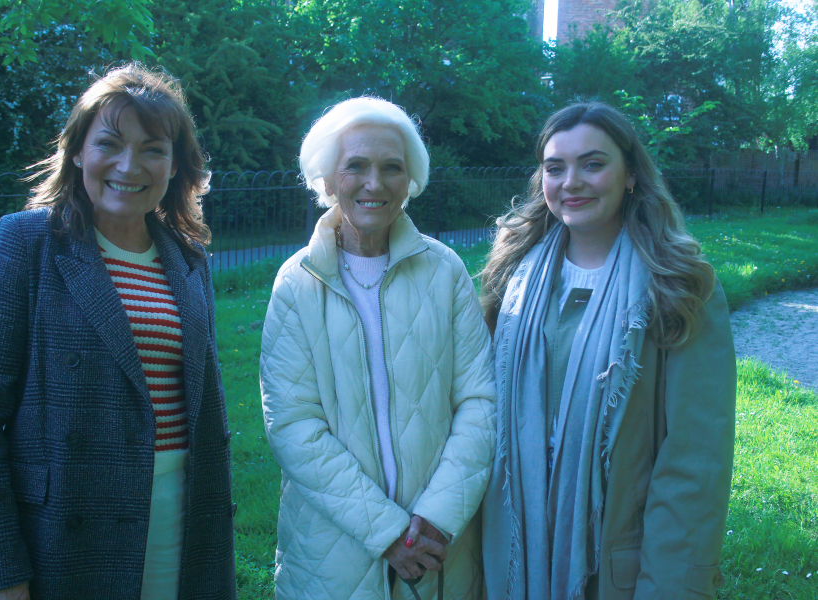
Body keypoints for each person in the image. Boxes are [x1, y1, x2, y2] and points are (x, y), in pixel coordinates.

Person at [0, 63, 236, 600]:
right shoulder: (25, 243)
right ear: (79, 151)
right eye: (110, 143)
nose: (130, 165)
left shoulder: (189, 259)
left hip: (179, 517)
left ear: (175, 164)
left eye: (153, 149)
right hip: (65, 528)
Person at [480, 102, 736, 600]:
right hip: (513, 545)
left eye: (593, 164)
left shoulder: (679, 286)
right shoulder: (512, 275)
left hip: (614, 559)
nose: (571, 182)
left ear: (631, 175)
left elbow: (694, 465)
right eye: (555, 168)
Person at [259, 97, 496, 599]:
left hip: (439, 547)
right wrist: (387, 532)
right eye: (356, 166)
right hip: (333, 552)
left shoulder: (446, 271)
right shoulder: (296, 283)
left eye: (392, 167)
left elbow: (480, 400)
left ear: (409, 181)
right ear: (329, 180)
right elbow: (294, 425)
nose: (375, 183)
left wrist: (438, 516)